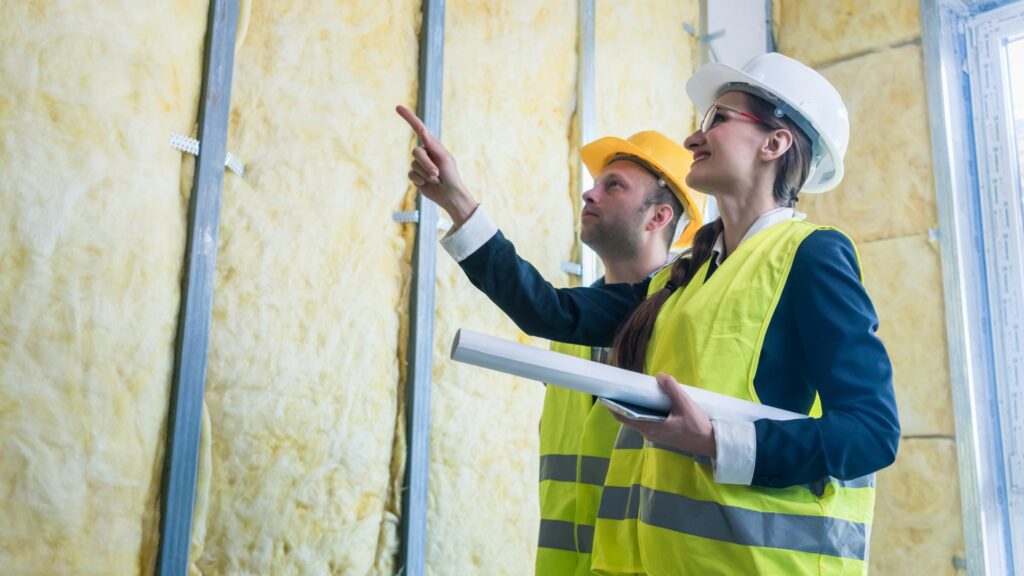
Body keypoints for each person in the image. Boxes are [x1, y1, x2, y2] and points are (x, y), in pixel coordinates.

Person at [397, 52, 899, 575]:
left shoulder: (810, 254)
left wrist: (715, 440)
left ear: (775, 143)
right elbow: (547, 311)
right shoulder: (677, 280)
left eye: (718, 119)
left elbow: (871, 432)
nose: (692, 139)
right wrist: (457, 201)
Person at [438, 130, 701, 576]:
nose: (589, 192)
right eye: (596, 182)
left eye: (613, 185)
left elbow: (542, 307)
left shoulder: (678, 315)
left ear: (658, 216)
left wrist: (459, 203)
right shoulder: (578, 322)